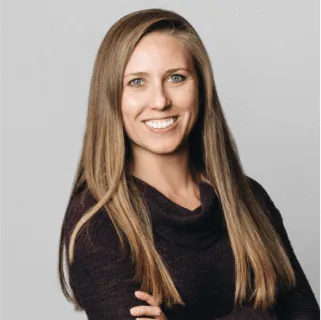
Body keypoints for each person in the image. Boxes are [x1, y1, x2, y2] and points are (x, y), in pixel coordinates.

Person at [58, 8, 320, 320]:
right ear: (112, 98)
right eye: (137, 82)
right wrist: (262, 316)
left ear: (201, 88)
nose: (160, 100)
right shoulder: (98, 221)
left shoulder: (250, 200)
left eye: (176, 78)